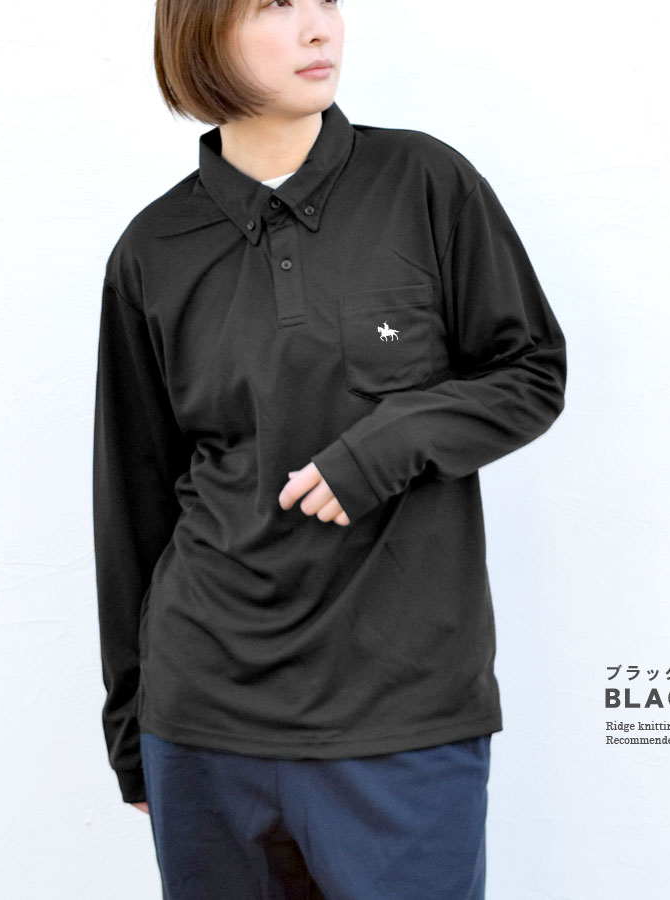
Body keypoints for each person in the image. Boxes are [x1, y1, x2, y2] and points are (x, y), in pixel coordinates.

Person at [92, 0, 566, 897]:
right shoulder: (151, 251)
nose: (319, 27)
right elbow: (133, 501)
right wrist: (131, 731)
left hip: (401, 717)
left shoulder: (425, 182)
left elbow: (530, 372)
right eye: (277, 4)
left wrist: (386, 444)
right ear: (201, 32)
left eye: (326, 1)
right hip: (204, 720)